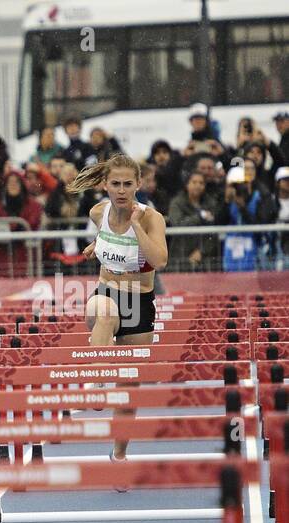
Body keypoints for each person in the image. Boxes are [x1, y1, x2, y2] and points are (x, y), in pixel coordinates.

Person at [71, 154, 169, 465]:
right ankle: (98, 376)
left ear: (139, 184)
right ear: (105, 185)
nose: (122, 190)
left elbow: (160, 260)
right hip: (106, 293)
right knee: (105, 311)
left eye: (128, 184)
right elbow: (104, 235)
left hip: (139, 303)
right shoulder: (97, 211)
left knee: (128, 393)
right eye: (116, 184)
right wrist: (95, 245)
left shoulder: (152, 218)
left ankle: (119, 454)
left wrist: (137, 227)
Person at [0, 171, 43, 278]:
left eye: (16, 182)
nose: (13, 185)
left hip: (25, 254)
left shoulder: (34, 205)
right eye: (10, 182)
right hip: (2, 254)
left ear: (22, 185)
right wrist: (16, 227)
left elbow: (32, 223)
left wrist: (15, 228)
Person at [167, 171, 220, 270]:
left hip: (205, 259)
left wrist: (201, 251)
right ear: (187, 184)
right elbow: (177, 224)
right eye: (194, 182)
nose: (198, 186)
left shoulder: (210, 203)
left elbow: (213, 232)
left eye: (201, 183)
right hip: (180, 255)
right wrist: (199, 217)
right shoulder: (177, 203)